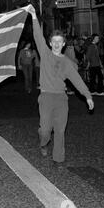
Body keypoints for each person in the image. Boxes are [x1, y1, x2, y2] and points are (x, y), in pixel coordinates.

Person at [35, 29, 94, 168]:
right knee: (45, 130)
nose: (56, 44)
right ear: (50, 43)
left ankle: (58, 159)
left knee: (60, 130)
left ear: (63, 44)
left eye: (59, 41)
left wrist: (88, 96)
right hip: (46, 97)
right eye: (54, 41)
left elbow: (77, 80)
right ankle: (43, 142)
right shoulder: (45, 53)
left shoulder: (67, 62)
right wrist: (33, 16)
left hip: (61, 98)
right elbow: (37, 35)